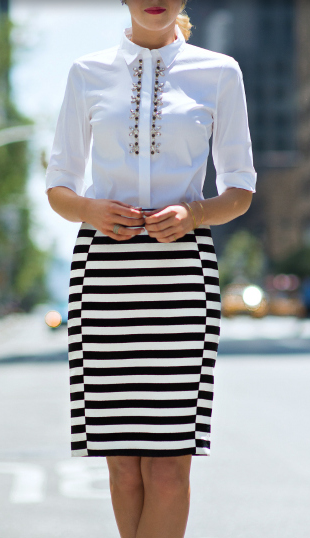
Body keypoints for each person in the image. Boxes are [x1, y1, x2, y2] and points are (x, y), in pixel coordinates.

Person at [46, 1, 256, 537]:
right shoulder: (86, 72)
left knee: (167, 468)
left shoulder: (219, 72)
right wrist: (91, 209)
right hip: (105, 276)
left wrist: (196, 213)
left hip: (182, 277)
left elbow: (241, 188)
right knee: (122, 468)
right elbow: (59, 186)